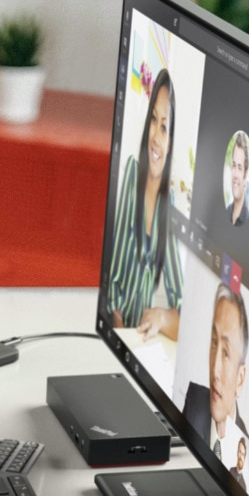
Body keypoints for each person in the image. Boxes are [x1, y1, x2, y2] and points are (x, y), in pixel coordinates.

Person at [107, 68, 183, 341]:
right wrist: (115, 320)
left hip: (137, 339)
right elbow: (110, 270)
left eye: (164, 127)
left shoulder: (169, 208)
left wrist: (161, 317)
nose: (155, 136)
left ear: (171, 142)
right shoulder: (130, 174)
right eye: (153, 120)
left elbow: (182, 312)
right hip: (112, 328)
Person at [183, 283, 249, 467]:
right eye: (214, 342)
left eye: (226, 353)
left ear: (240, 379)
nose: (214, 371)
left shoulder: (245, 448)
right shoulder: (194, 401)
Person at [226, 131, 249, 226]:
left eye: (240, 168)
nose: (235, 174)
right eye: (234, 165)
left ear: (245, 175)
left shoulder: (247, 219)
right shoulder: (227, 210)